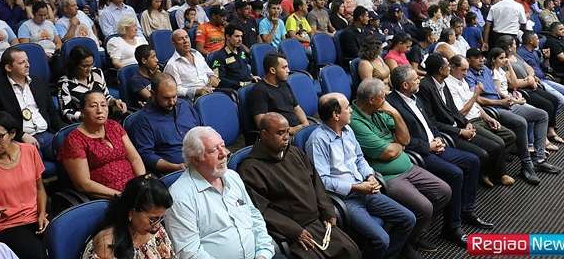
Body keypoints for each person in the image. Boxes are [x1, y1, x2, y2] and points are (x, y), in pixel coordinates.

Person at [386, 66, 489, 247]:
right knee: (455, 173)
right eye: (415, 79)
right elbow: (400, 139)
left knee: (473, 160)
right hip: (419, 153)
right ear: (404, 85)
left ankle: (466, 211)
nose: (419, 80)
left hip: (436, 145)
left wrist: (438, 137)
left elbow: (430, 123)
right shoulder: (392, 105)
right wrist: (428, 146)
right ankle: (451, 228)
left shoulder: (415, 97)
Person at [306, 93, 417, 259]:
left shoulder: (348, 130)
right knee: (381, 239)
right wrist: (355, 187)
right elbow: (322, 181)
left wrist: (370, 175)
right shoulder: (318, 141)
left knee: (408, 219)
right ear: (336, 115)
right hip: (345, 199)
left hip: (365, 189)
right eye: (347, 108)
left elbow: (359, 159)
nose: (351, 110)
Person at [239, 112, 362, 259]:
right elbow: (262, 210)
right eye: (280, 133)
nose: (286, 137)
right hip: (293, 231)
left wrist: (327, 210)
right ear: (264, 134)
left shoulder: (295, 152)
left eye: (287, 132)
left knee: (351, 251)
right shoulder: (250, 169)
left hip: (319, 221)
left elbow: (316, 183)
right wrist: (294, 231)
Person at [349, 78, 451, 253]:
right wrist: (398, 145)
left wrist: (395, 114)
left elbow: (406, 139)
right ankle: (405, 245)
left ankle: (413, 236)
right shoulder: (355, 121)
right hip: (388, 176)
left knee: (444, 191)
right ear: (371, 100)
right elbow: (387, 152)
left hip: (408, 166)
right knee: (425, 207)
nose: (386, 100)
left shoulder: (380, 110)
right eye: (383, 97)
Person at [165, 126, 276, 259]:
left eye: (222, 146)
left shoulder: (232, 176)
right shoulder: (180, 197)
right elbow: (189, 253)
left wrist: (263, 253)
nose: (224, 153)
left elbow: (254, 216)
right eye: (214, 150)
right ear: (195, 159)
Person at [464, 48, 555, 184]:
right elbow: (477, 99)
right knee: (521, 122)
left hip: (504, 103)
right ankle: (526, 165)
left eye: (482, 57)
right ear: (468, 60)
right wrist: (500, 102)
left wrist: (510, 98)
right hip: (492, 108)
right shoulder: (468, 76)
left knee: (542, 115)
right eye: (477, 58)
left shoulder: (486, 70)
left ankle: (539, 159)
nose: (481, 60)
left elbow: (496, 89)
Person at [0, 112, 48, 259]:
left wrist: (42, 214)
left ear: (12, 133)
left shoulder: (30, 151)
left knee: (63, 245)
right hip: (9, 225)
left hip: (36, 216)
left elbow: (40, 188)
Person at [442, 55, 517, 187]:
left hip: (479, 116)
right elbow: (461, 113)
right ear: (452, 67)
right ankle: (496, 174)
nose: (466, 73)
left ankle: (490, 167)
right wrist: (476, 95)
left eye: (467, 69)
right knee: (498, 144)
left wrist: (488, 118)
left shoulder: (462, 80)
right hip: (469, 122)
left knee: (510, 136)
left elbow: (475, 105)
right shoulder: (448, 85)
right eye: (463, 70)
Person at [59, 91, 145, 198]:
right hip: (108, 197)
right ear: (82, 110)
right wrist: (121, 196)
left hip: (135, 189)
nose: (100, 110)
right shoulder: (74, 140)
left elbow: (135, 159)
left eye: (103, 105)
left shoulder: (114, 126)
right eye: (93, 106)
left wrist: (142, 183)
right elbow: (83, 184)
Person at [0, 47, 63, 161]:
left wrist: (61, 133)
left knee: (71, 153)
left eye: (27, 61)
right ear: (8, 67)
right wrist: (21, 135)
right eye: (22, 62)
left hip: (47, 134)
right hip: (21, 139)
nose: (28, 65)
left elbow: (52, 112)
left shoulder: (39, 83)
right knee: (33, 161)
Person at [82, 175, 175, 259]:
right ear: (131, 212)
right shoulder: (107, 245)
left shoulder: (154, 229)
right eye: (152, 219)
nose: (157, 226)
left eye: (161, 218)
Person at [127, 73, 200, 174]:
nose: (172, 102)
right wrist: (175, 167)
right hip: (176, 171)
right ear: (153, 94)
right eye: (166, 98)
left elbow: (200, 131)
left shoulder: (185, 105)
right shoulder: (143, 120)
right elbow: (146, 155)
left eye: (174, 96)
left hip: (201, 161)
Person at [57, 45, 127, 122]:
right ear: (75, 65)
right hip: (84, 121)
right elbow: (66, 111)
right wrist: (86, 116)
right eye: (85, 66)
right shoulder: (65, 83)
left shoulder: (97, 72)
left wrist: (114, 102)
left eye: (91, 65)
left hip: (105, 116)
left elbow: (106, 96)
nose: (89, 69)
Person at [248, 52, 309, 134]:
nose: (288, 71)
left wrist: (305, 124)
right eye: (284, 67)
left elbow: (296, 107)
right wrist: (290, 130)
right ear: (272, 70)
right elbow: (261, 123)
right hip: (281, 134)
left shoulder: (284, 84)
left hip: (297, 128)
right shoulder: (259, 91)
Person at [517, 30, 564, 107]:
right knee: (560, 99)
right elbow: (521, 72)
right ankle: (552, 114)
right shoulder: (520, 54)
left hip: (544, 78)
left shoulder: (535, 52)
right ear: (531, 41)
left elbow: (544, 67)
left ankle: (554, 112)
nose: (538, 41)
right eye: (537, 39)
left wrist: (547, 58)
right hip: (536, 82)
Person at [163, 29, 220, 100]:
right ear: (174, 44)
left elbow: (208, 70)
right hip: (194, 98)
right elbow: (175, 89)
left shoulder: (197, 54)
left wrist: (212, 76)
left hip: (211, 90)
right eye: (180, 39)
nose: (185, 41)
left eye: (186, 37)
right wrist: (196, 91)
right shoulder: (172, 65)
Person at [209, 24, 256, 89]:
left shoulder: (241, 50)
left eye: (241, 36)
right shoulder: (219, 56)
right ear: (228, 36)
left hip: (249, 84)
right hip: (235, 90)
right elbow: (219, 80)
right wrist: (240, 84)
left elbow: (245, 68)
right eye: (237, 36)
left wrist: (251, 77)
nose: (240, 39)